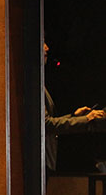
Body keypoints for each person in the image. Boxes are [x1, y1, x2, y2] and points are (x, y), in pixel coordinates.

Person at [44, 42, 106, 174]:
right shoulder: (34, 84)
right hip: (42, 159)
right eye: (42, 42)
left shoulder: (37, 83)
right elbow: (47, 124)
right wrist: (86, 119)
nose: (47, 48)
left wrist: (75, 117)